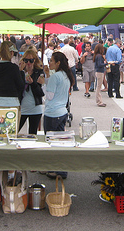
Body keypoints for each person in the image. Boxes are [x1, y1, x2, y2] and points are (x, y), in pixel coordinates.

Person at [41, 51, 74, 179]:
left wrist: (43, 83)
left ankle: (56, 170)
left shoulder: (56, 76)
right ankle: (58, 169)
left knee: (51, 143)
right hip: (62, 112)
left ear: (58, 63)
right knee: (60, 143)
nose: (49, 63)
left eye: (51, 61)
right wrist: (47, 77)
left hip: (52, 113)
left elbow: (49, 95)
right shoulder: (65, 75)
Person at [0, 41, 24, 107]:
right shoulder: (14, 68)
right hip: (12, 102)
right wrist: (21, 72)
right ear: (11, 53)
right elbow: (20, 86)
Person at [18, 48, 44, 135]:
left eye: (31, 60)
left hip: (35, 108)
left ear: (35, 61)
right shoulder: (19, 72)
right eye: (26, 60)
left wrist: (33, 83)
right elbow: (16, 89)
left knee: (32, 134)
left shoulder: (39, 72)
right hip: (21, 108)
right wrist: (20, 73)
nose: (28, 63)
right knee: (14, 131)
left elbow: (41, 93)